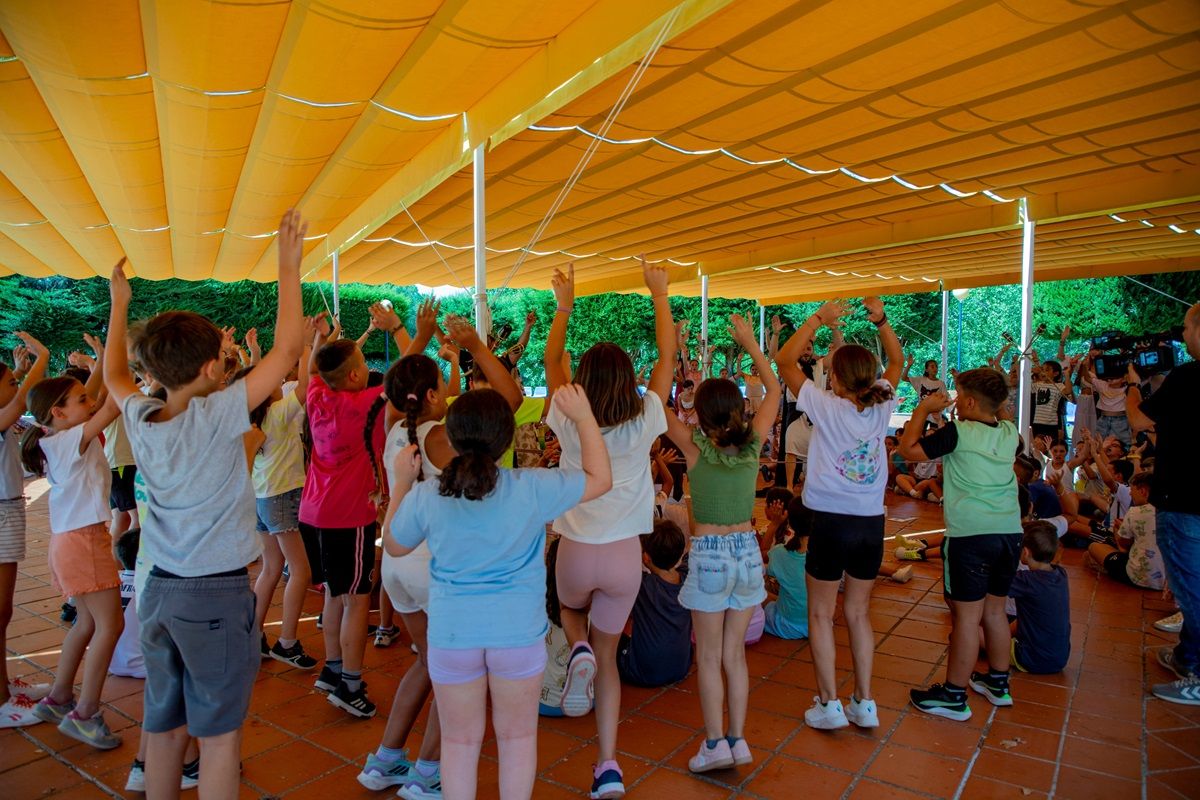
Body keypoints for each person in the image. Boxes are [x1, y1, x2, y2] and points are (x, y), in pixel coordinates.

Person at [105, 211, 304, 797]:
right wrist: (287, 268)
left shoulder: (141, 416)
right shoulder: (220, 414)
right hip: (213, 592)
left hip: (158, 591)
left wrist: (120, 303)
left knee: (164, 729)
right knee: (219, 738)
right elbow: (289, 348)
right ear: (215, 368)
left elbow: (116, 371)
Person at [384, 386, 612, 800]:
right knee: (517, 739)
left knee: (459, 744)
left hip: (452, 636)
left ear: (451, 439)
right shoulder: (530, 487)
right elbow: (601, 480)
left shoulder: (428, 494)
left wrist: (400, 483)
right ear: (507, 439)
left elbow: (394, 544)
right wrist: (582, 418)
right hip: (517, 636)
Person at [358, 309, 522, 798]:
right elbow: (509, 400)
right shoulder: (443, 436)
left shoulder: (392, 428)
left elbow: (398, 384)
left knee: (430, 662)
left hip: (397, 565)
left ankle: (386, 759)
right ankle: (428, 771)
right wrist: (472, 347)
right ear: (432, 394)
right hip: (435, 569)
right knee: (455, 674)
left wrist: (416, 336)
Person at [542, 258, 673, 798]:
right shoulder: (645, 416)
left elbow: (552, 359)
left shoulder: (569, 414)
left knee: (570, 611)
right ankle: (609, 767)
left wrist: (564, 308)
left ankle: (576, 648)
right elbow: (668, 356)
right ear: (627, 378)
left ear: (584, 382)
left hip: (575, 549)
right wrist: (659, 294)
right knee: (611, 658)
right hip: (624, 558)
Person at [775, 296, 901, 732]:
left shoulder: (824, 406)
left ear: (835, 377)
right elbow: (899, 360)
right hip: (870, 522)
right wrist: (881, 319)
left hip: (828, 520)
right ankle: (865, 703)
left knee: (820, 614)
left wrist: (818, 319)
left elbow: (785, 358)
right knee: (859, 614)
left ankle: (829, 704)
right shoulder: (883, 402)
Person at [662, 312, 780, 772]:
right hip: (749, 551)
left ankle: (714, 745)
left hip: (709, 555)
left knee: (708, 655)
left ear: (700, 412)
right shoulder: (754, 444)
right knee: (734, 655)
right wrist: (752, 344)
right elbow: (773, 389)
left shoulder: (693, 446)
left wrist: (672, 348)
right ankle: (738, 739)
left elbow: (657, 405)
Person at [21, 336, 126, 749]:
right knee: (109, 625)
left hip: (71, 540)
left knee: (87, 623)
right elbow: (115, 402)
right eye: (81, 400)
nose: (91, 401)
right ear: (58, 413)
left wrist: (102, 359)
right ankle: (85, 714)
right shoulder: (72, 438)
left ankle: (59, 697)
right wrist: (129, 367)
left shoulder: (61, 434)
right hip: (83, 542)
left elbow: (100, 395)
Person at [901, 368, 1022, 721]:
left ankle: (955, 695)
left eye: (956, 394)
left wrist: (924, 409)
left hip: (971, 536)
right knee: (995, 611)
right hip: (1009, 533)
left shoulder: (959, 432)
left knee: (966, 619)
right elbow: (1002, 413)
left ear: (968, 402)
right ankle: (998, 683)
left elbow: (909, 450)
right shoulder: (1010, 433)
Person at [300, 300, 400, 718]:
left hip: (315, 513)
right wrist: (397, 329)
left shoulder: (316, 394)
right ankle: (351, 684)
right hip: (350, 517)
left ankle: (333, 669)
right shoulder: (365, 405)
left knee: (335, 595)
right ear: (357, 375)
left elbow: (311, 370)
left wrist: (321, 339)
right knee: (359, 600)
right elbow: (406, 373)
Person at [1125, 302, 1200, 705]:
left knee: (1193, 592)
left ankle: (1198, 674)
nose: (1183, 335)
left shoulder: (1188, 377)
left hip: (1185, 499)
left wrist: (1134, 386)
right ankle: (1187, 655)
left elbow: (1138, 422)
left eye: (1187, 327)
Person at [235, 319, 318, 670]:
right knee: (301, 570)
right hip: (281, 496)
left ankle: (253, 637)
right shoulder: (279, 413)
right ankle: (287, 641)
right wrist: (303, 346)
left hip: (261, 496)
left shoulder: (252, 418)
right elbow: (306, 385)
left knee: (271, 567)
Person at [0, 333, 50, 728]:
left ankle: (2, 686)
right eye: (11, 382)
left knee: (4, 610)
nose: (17, 387)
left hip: (8, 510)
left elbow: (13, 398)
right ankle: (1, 701)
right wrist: (42, 359)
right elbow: (19, 399)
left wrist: (16, 370)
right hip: (1, 513)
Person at [616, 519, 693, 688]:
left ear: (645, 557)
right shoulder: (689, 578)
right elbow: (692, 551)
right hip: (681, 667)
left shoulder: (641, 585)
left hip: (642, 672)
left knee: (609, 640)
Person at [1004, 521, 1071, 674]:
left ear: (1026, 553)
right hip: (1059, 658)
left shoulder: (1026, 580)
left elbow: (992, 584)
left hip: (1031, 658)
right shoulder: (1060, 574)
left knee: (973, 636)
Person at [1087, 471, 1164, 590]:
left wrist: (1118, 529)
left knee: (1093, 548)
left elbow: (1123, 545)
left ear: (1143, 491)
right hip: (1168, 580)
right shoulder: (1173, 514)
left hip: (1139, 577)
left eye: (1132, 490)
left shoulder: (1135, 512)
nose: (1130, 493)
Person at [763, 497, 810, 640]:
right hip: (820, 625)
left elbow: (761, 555)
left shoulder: (779, 553)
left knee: (757, 592)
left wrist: (774, 524)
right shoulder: (830, 552)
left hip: (787, 625)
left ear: (790, 523)